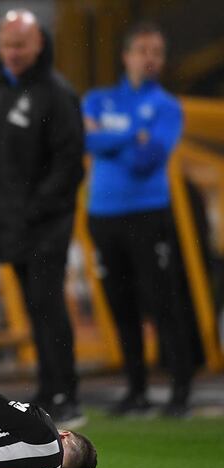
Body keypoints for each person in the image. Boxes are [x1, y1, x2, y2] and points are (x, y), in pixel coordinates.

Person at [0, 10, 85, 426]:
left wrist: (36, 209)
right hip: (10, 225)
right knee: (35, 307)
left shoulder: (56, 93)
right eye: (7, 44)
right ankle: (47, 386)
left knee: (49, 305)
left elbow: (70, 164)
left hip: (45, 226)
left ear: (39, 44)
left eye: (20, 44)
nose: (13, 52)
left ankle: (66, 392)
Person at [83, 22, 194, 417]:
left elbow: (150, 158)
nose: (151, 58)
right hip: (104, 216)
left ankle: (180, 391)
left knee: (162, 301)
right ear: (127, 55)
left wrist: (112, 139)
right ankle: (136, 390)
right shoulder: (98, 99)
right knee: (120, 304)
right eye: (144, 50)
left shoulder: (167, 105)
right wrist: (134, 134)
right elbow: (87, 139)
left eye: (157, 52)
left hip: (148, 215)